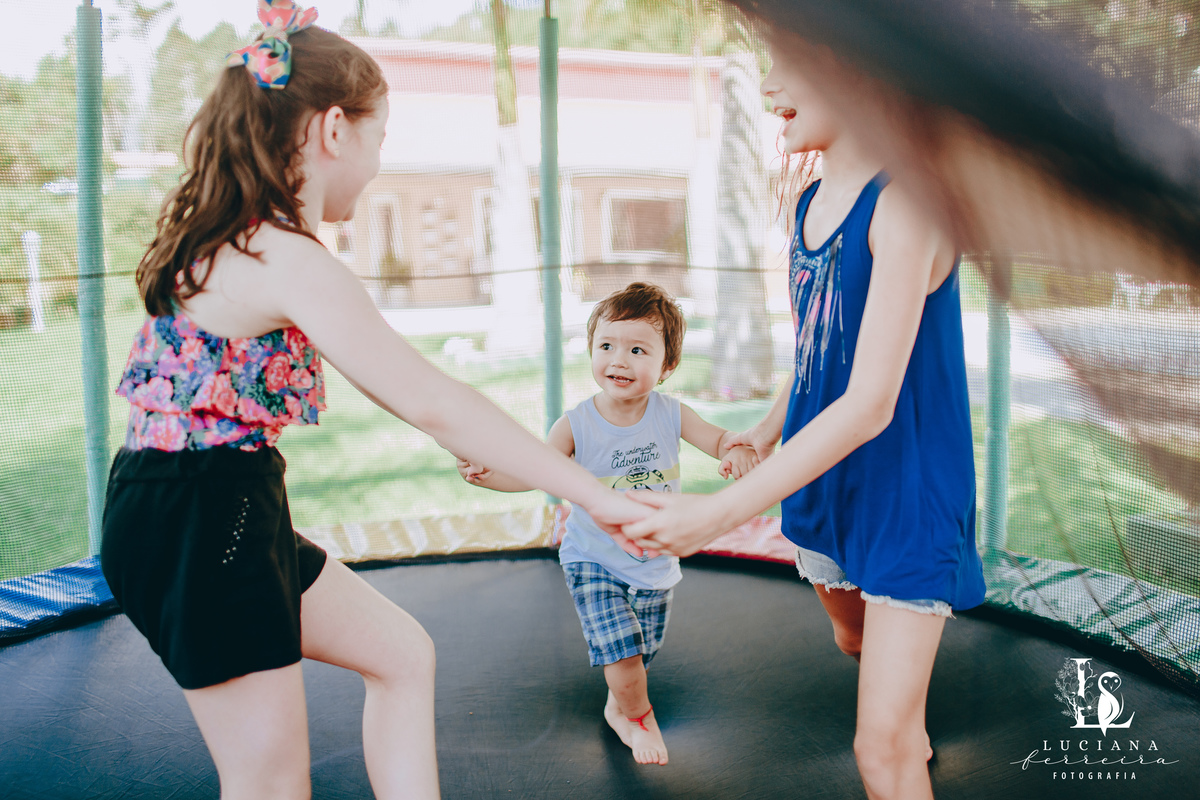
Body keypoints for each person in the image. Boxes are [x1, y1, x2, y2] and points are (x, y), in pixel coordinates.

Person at [98, 4, 649, 799]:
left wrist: (474, 441)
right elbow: (431, 398)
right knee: (269, 782)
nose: (379, 161)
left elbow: (418, 399)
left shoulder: (235, 239)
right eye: (380, 136)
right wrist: (598, 496)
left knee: (400, 652)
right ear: (333, 130)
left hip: (199, 507)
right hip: (203, 522)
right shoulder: (284, 257)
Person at [622, 34, 987, 800]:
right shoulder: (812, 203)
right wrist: (769, 423)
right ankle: (903, 717)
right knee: (851, 636)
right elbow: (826, 344)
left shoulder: (911, 205)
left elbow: (871, 400)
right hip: (827, 486)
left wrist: (716, 514)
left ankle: (901, 737)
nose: (767, 89)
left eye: (785, 66)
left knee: (880, 753)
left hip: (908, 496)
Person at [455, 282, 759, 766]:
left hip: (654, 563)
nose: (619, 359)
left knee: (641, 653)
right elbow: (534, 471)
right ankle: (638, 719)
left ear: (667, 366)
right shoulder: (576, 424)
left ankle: (621, 706)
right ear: (593, 350)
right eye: (607, 346)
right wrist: (491, 476)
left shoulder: (672, 414)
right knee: (622, 655)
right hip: (592, 557)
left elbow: (719, 438)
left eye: (638, 349)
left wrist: (736, 448)